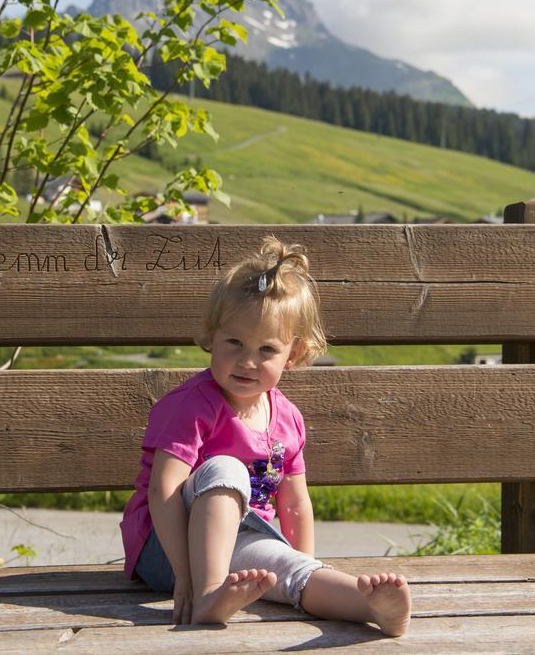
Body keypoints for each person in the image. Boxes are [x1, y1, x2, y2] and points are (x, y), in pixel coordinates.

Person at [119, 236, 411, 636]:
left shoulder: (287, 417)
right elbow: (163, 491)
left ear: (293, 354)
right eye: (234, 343)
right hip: (169, 549)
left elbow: (293, 503)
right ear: (211, 337)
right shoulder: (191, 406)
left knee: (291, 570)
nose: (247, 361)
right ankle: (209, 596)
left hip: (241, 547)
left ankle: (371, 608)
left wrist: (302, 561)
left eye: (267, 349)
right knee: (226, 469)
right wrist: (187, 577)